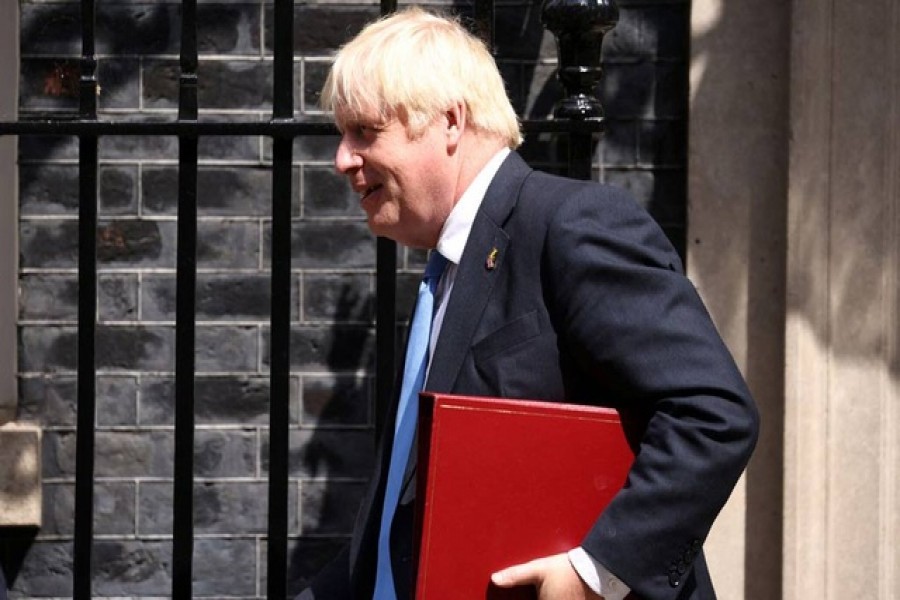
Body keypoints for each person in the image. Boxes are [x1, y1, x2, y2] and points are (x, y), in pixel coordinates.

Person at [298, 7, 759, 600]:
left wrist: (595, 572)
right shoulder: (448, 274)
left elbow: (712, 412)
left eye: (364, 130)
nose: (342, 158)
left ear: (450, 122)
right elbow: (407, 521)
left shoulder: (572, 224)